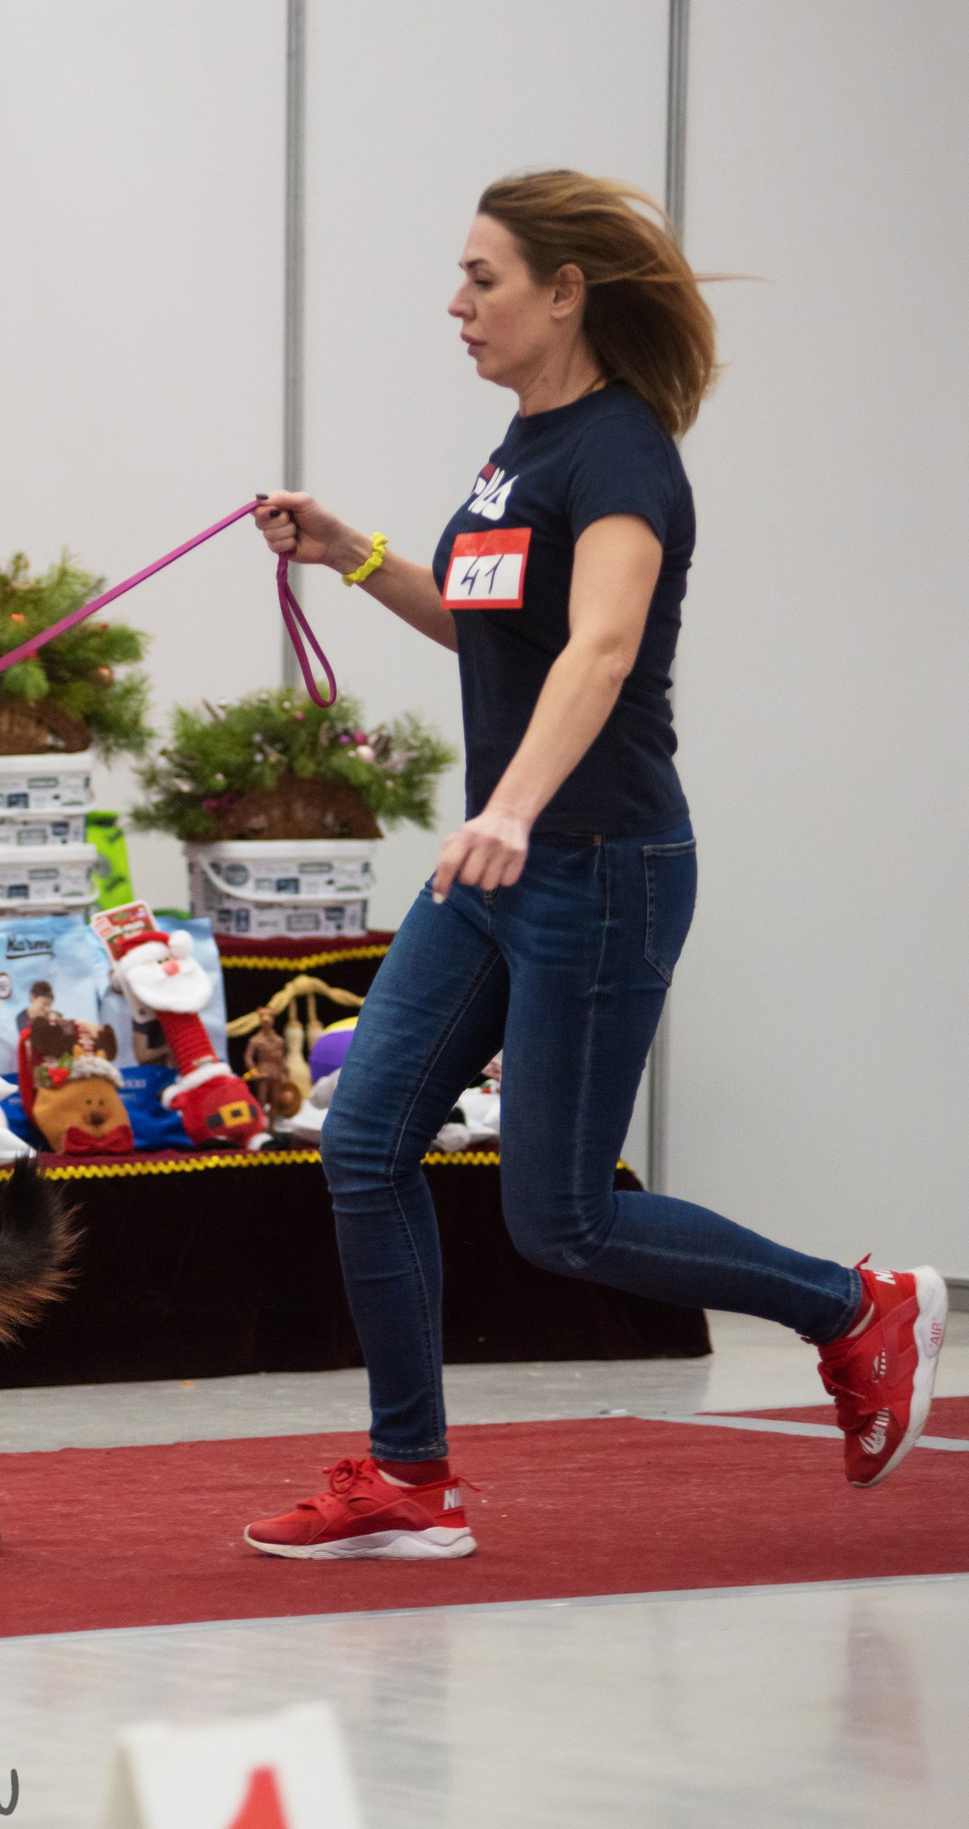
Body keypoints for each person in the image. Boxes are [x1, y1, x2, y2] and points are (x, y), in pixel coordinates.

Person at [245, 169, 944, 1562]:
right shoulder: (521, 449)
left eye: (484, 278)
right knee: (365, 1146)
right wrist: (354, 553)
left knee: (559, 1219)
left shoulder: (622, 454)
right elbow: (489, 620)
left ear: (567, 293)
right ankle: (410, 1478)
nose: (456, 303)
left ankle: (854, 1304)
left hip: (601, 864)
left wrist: (508, 806)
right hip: (503, 865)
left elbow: (603, 646)